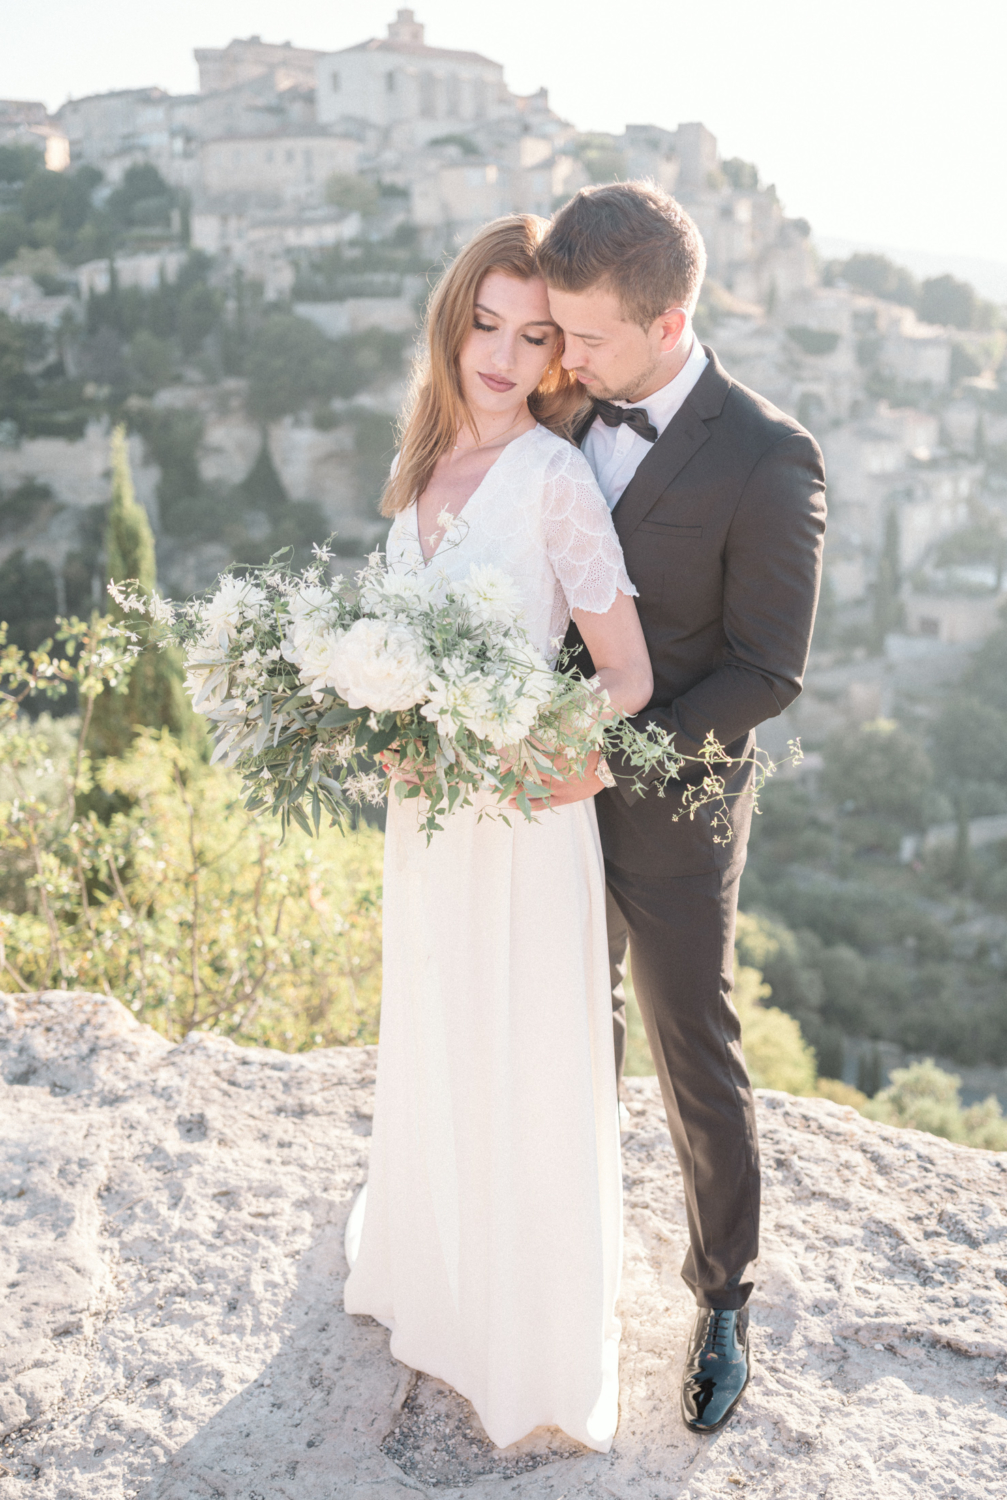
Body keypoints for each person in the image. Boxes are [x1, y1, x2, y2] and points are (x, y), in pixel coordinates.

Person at [342, 214, 652, 1453]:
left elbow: (622, 671)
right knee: (433, 1031)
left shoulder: (553, 480)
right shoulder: (419, 469)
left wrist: (545, 745)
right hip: (424, 821)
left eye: (534, 337)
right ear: (451, 318)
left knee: (518, 1055)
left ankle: (522, 1337)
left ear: (557, 361)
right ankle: (435, 1281)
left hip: (517, 821)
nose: (503, 354)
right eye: (485, 323)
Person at [536, 182, 826, 1434]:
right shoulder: (558, 393)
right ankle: (560, 1256)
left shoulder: (769, 453)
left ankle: (721, 1296)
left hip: (675, 798)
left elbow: (767, 669)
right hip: (532, 784)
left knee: (687, 1042)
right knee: (557, 1016)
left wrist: (617, 756)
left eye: (588, 337)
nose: (563, 356)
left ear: (668, 323)